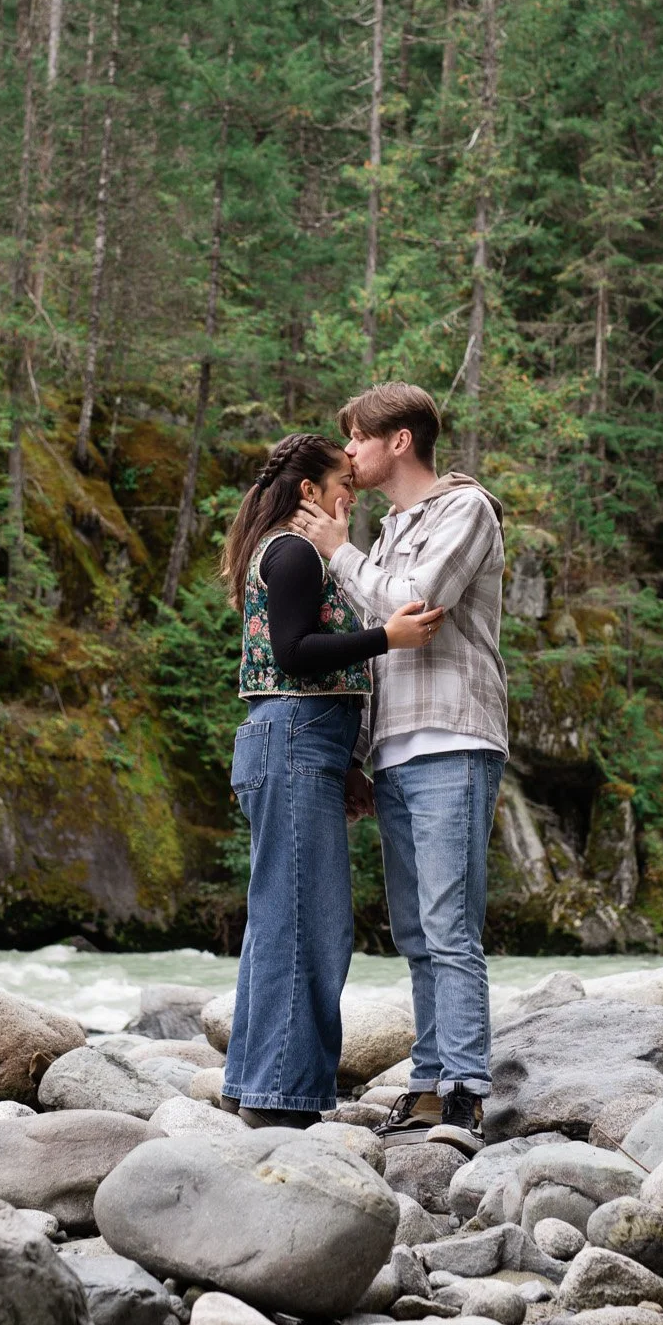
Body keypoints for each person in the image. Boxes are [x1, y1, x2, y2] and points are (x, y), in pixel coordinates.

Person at [291, 383, 506, 1155]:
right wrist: (355, 758)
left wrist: (335, 551)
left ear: (399, 442)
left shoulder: (463, 511)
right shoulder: (382, 534)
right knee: (416, 930)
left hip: (453, 735)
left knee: (450, 925)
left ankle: (465, 1093)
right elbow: (376, 645)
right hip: (395, 746)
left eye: (355, 438)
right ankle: (426, 1085)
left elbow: (414, 605)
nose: (347, 452)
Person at [219, 431, 444, 1129]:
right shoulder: (292, 553)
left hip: (298, 742)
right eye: (341, 483)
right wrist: (387, 638)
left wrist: (344, 763)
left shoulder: (291, 552)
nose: (353, 494)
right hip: (292, 737)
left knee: (281, 920)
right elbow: (293, 654)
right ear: (309, 492)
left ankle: (256, 1084)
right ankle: (280, 1098)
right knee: (306, 927)